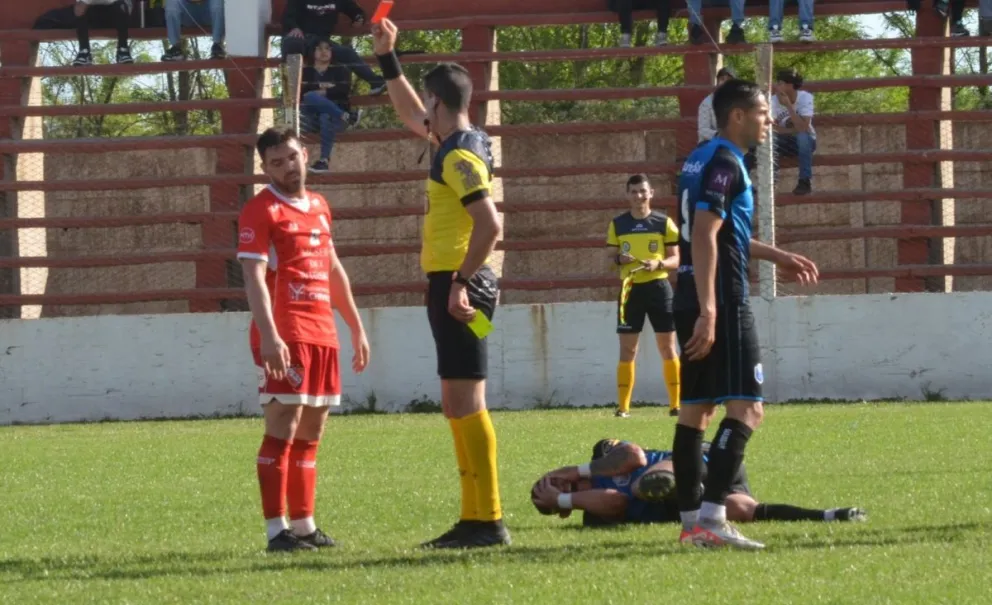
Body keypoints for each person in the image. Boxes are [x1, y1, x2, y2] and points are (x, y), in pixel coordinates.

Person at [370, 17, 509, 550]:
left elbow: (490, 225)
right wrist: (388, 58)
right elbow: (410, 114)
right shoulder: (457, 140)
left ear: (437, 100)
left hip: (461, 285)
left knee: (467, 401)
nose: (421, 111)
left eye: (426, 101)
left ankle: (488, 519)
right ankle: (474, 516)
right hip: (454, 282)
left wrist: (460, 282)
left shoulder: (458, 153)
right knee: (457, 402)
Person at [672, 78, 820, 550]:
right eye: (761, 112)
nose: (769, 120)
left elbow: (719, 231)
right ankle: (713, 519)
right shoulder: (725, 162)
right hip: (721, 298)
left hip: (689, 294)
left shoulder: (698, 158)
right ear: (737, 116)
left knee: (695, 412)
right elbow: (703, 233)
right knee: (749, 409)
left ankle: (691, 523)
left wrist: (777, 256)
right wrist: (711, 310)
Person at [237, 126, 371, 552]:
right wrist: (270, 336)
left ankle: (304, 526)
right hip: (286, 334)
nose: (287, 167)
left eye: (292, 157)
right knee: (283, 425)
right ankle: (276, 531)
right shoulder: (260, 210)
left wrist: (355, 325)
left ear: (305, 155)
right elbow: (253, 277)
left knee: (312, 429)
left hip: (321, 332)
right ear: (265, 168)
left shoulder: (319, 206)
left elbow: (332, 269)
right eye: (276, 162)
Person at [531, 439, 867, 527]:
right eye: (561, 489)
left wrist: (577, 470)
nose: (567, 483)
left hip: (703, 459)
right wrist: (563, 500)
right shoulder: (593, 513)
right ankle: (829, 515)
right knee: (740, 510)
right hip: (692, 497)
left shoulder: (602, 456)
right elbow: (615, 503)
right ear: (563, 509)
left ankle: (668, 478)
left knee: (646, 481)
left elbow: (633, 455)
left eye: (556, 479)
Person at [606, 174, 680, 419]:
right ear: (627, 195)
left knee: (667, 347)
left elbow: (676, 259)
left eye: (642, 191)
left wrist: (659, 263)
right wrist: (620, 259)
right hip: (630, 289)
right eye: (634, 191)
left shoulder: (664, 222)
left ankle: (675, 405)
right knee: (628, 349)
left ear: (651, 193)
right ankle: (623, 408)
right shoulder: (618, 224)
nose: (639, 196)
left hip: (659, 288)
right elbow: (610, 258)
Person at [282, 0, 387, 95]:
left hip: (322, 41)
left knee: (347, 53)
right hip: (301, 38)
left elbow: (355, 10)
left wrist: (358, 18)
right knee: (292, 46)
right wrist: (294, 27)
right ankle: (290, 92)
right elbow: (287, 17)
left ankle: (376, 82)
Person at [301, 40, 364, 174]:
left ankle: (323, 161)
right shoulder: (306, 71)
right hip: (311, 120)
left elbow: (343, 90)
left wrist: (322, 92)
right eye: (319, 48)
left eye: (327, 49)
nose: (324, 52)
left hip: (334, 121)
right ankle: (346, 116)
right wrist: (322, 87)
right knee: (309, 97)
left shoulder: (341, 69)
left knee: (326, 115)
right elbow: (302, 92)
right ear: (313, 52)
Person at [771, 68, 816, 196]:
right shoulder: (773, 100)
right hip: (784, 142)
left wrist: (789, 106)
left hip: (807, 143)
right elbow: (772, 128)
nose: (776, 86)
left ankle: (804, 181)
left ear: (790, 85)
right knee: (770, 139)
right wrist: (793, 130)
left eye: (780, 83)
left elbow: (804, 128)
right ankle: (771, 181)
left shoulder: (805, 97)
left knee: (802, 136)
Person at [72, 0, 134, 66]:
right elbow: (79, 8)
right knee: (80, 8)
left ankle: (123, 50)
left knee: (120, 6)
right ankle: (84, 51)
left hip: (114, 14)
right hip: (92, 15)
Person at [161, 0, 226, 61]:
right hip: (187, 12)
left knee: (218, 1)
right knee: (171, 2)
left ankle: (218, 45)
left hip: (209, 12)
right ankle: (176, 49)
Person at [697, 67, 736, 144]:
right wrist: (720, 136)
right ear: (717, 82)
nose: (725, 82)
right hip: (711, 143)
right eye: (722, 79)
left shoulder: (739, 102)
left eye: (729, 80)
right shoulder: (707, 103)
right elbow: (703, 130)